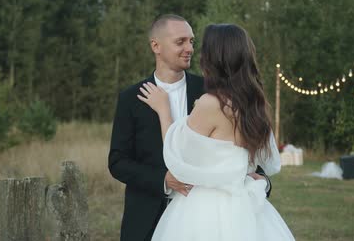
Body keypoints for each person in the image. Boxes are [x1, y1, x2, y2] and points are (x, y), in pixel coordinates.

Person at [108, 15, 271, 241]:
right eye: (180, 42)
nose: (189, 49)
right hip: (146, 217)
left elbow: (244, 151)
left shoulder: (213, 93)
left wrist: (260, 183)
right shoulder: (131, 98)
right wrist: (163, 180)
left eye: (192, 42)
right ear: (156, 46)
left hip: (208, 221)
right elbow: (117, 162)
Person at [137, 23, 294, 240]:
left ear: (214, 59)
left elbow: (180, 156)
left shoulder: (212, 104)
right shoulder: (255, 104)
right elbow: (266, 161)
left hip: (206, 207)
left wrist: (164, 110)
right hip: (246, 206)